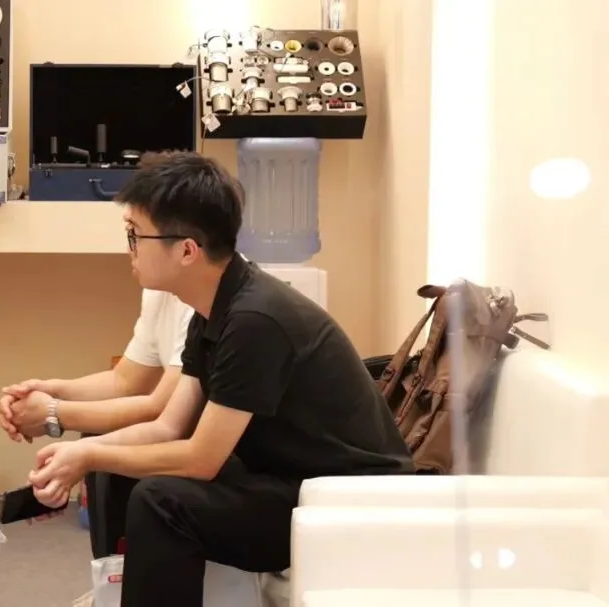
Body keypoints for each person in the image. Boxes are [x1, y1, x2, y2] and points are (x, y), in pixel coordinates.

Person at [27, 151, 414, 607]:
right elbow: (167, 427)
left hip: (346, 502)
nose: (129, 249)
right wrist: (79, 452)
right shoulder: (213, 309)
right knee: (119, 472)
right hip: (288, 479)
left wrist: (88, 454)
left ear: (187, 250)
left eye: (135, 236)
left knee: (161, 501)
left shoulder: (255, 320)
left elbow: (201, 460)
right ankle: (116, 592)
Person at [0, 287, 193, 558]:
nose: (131, 261)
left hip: (217, 456)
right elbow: (124, 381)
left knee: (112, 467)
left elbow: (163, 412)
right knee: (93, 444)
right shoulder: (159, 293)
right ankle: (112, 574)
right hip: (181, 439)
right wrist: (48, 391)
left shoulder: (201, 302)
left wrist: (52, 414)